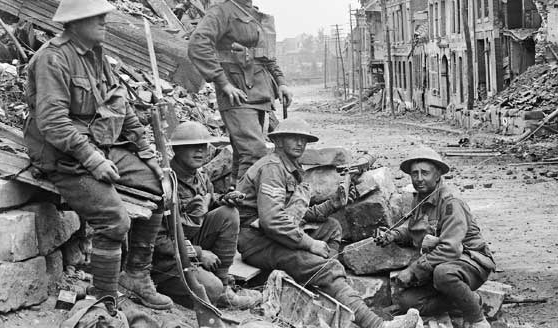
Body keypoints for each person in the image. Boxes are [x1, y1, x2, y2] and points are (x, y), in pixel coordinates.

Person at [24, 0, 172, 310]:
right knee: (115, 220)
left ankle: (135, 275)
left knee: (159, 188)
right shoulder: (54, 58)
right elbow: (52, 123)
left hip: (98, 145)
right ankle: (105, 302)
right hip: (60, 154)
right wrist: (92, 159)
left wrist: (147, 153)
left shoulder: (95, 53)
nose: (104, 20)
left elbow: (122, 106)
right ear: (75, 22)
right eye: (97, 16)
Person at [236, 117, 422, 328]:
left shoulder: (289, 167)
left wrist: (333, 203)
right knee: (326, 267)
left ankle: (323, 285)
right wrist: (309, 244)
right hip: (256, 240)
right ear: (278, 141)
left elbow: (297, 214)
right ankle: (376, 324)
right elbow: (272, 221)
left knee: (332, 228)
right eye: (293, 138)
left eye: (303, 139)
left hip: (269, 235)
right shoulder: (272, 169)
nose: (300, 143)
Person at [188, 0, 292, 187]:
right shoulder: (221, 12)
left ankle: (236, 204)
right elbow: (198, 44)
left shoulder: (256, 15)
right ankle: (249, 209)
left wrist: (281, 82)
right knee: (255, 152)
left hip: (260, 94)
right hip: (237, 94)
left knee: (242, 155)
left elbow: (266, 56)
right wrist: (223, 82)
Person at [375, 147, 495, 328]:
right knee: (407, 302)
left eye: (425, 173)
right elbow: (416, 231)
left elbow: (451, 248)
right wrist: (393, 235)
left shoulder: (451, 202)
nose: (419, 178)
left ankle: (477, 318)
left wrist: (414, 269)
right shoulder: (421, 199)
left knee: (443, 274)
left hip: (471, 262)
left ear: (437, 174)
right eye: (414, 174)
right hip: (444, 263)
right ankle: (467, 300)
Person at [151, 121, 261, 309]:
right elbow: (157, 241)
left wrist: (223, 199)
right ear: (176, 150)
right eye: (192, 147)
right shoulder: (164, 183)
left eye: (202, 146)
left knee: (229, 213)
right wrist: (199, 253)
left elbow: (207, 203)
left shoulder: (199, 175)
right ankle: (211, 290)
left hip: (190, 245)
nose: (200, 152)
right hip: (167, 262)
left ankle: (224, 286)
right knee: (211, 289)